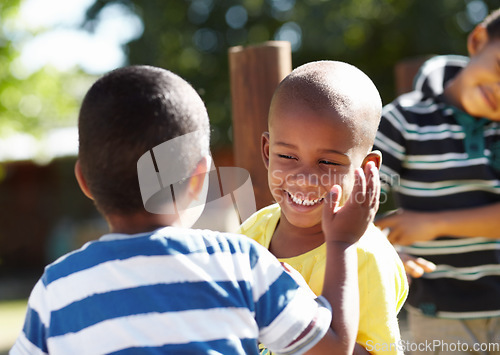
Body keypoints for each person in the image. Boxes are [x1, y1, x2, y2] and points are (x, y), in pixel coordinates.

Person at [10, 65, 381, 355]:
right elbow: (332, 349)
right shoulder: (240, 263)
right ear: (199, 177)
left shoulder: (55, 289)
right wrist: (342, 243)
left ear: (84, 181)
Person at [239, 60, 409, 355]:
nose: (304, 179)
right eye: (287, 156)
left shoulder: (367, 256)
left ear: (367, 169)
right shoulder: (253, 231)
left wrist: (300, 323)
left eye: (328, 162)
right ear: (267, 152)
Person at [373, 7, 500, 354]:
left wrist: (433, 223)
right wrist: (385, 249)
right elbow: (361, 195)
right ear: (478, 40)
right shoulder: (403, 122)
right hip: (439, 310)